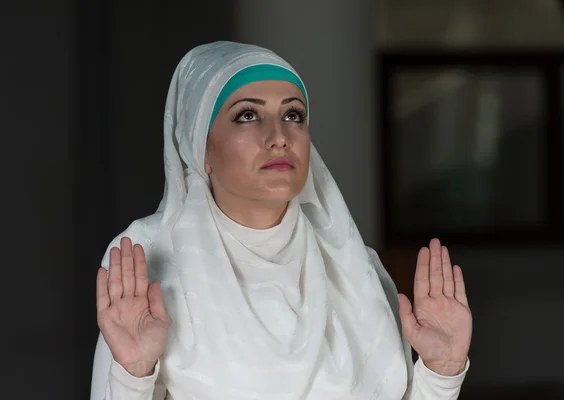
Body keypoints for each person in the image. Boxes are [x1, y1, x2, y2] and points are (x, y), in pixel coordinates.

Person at [90, 41, 473, 400]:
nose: (278, 137)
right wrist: (134, 374)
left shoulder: (351, 266)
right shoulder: (149, 260)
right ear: (199, 147)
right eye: (247, 115)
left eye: (293, 115)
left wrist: (442, 372)